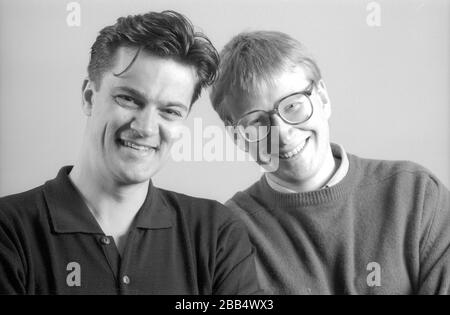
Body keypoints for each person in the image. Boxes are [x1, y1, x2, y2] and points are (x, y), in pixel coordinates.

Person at [0, 11, 261, 295]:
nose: (146, 127)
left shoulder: (215, 233)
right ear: (89, 97)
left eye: (170, 111)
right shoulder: (9, 230)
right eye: (128, 99)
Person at [209, 30, 450, 294]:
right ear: (238, 137)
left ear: (322, 98)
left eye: (292, 105)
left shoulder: (416, 194)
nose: (283, 132)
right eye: (257, 121)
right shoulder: (227, 234)